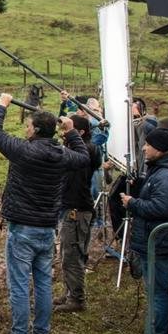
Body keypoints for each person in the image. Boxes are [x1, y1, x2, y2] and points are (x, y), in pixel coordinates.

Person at [0, 93, 90, 334]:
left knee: (20, 284)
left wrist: (2, 106)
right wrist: (71, 132)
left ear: (36, 130)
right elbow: (83, 157)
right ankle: (41, 333)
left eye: (28, 125)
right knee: (44, 282)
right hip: (47, 228)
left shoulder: (23, 151)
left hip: (22, 227)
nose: (26, 129)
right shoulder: (61, 155)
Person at [120, 127, 168, 334]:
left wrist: (132, 203)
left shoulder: (167, 176)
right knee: (154, 291)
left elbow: (160, 208)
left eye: (147, 145)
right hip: (155, 238)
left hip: (159, 241)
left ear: (158, 149)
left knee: (158, 292)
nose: (143, 148)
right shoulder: (161, 170)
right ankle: (155, 331)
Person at [54, 114, 102, 313]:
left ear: (79, 132)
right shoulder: (80, 149)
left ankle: (76, 298)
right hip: (73, 207)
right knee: (68, 254)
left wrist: (70, 135)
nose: (63, 134)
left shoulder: (87, 150)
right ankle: (69, 292)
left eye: (67, 130)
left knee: (73, 255)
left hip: (77, 210)